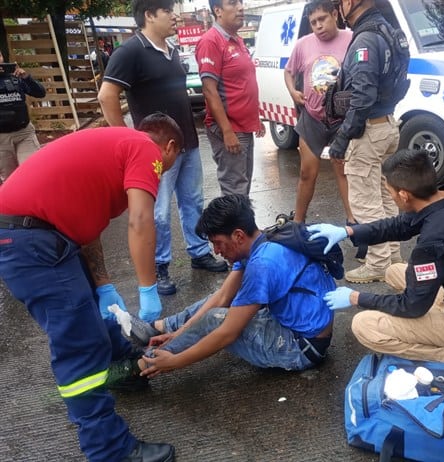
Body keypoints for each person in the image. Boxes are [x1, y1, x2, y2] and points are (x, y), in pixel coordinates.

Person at [0, 113, 182, 461]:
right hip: (30, 239)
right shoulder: (147, 149)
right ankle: (110, 450)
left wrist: (103, 286)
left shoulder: (114, 150)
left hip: (39, 234)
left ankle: (123, 370)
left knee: (94, 318)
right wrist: (148, 291)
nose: (164, 170)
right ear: (170, 147)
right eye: (171, 161)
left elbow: (88, 228)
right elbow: (142, 220)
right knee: (78, 344)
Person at [307, 149, 444, 364]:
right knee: (394, 271)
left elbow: (411, 306)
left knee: (364, 326)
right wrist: (349, 231)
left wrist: (356, 298)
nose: (390, 195)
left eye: (389, 191)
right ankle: (442, 322)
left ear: (404, 195)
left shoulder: (434, 242)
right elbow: (401, 225)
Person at [118, 194, 336, 378]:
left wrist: (175, 362)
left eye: (218, 243)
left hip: (300, 346)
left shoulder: (262, 265)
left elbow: (227, 333)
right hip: (297, 322)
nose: (216, 251)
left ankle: (145, 366)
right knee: (221, 301)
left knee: (215, 320)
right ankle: (164, 328)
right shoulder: (262, 238)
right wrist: (179, 332)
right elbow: (223, 297)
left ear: (238, 235)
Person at [99, 0, 228, 298]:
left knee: (192, 202)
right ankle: (159, 266)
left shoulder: (170, 51)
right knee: (157, 212)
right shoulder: (130, 51)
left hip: (186, 142)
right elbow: (107, 95)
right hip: (153, 151)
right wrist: (127, 141)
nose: (174, 16)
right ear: (148, 15)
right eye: (167, 11)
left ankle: (198, 253)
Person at [327, 0, 409, 283]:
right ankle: (393, 257)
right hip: (387, 124)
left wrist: (342, 137)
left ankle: (377, 264)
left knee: (365, 203)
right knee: (386, 199)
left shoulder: (366, 38)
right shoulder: (388, 31)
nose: (337, 9)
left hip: (369, 131)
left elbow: (362, 97)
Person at [284, 0, 354, 224]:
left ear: (335, 14)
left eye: (322, 19)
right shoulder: (303, 44)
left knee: (344, 173)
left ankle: (355, 225)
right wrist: (293, 92)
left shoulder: (352, 39)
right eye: (313, 22)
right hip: (312, 118)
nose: (318, 26)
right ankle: (298, 224)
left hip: (342, 120)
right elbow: (288, 72)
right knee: (307, 173)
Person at [196, 0, 265, 196]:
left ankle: (242, 226)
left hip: (244, 128)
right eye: (233, 3)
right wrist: (227, 131)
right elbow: (209, 90)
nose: (241, 7)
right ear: (217, 11)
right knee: (235, 191)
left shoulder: (237, 40)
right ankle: (234, 227)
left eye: (241, 2)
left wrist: (256, 118)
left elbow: (243, 83)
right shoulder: (211, 41)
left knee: (243, 188)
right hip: (230, 129)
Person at [0, 51, 46, 183]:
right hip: (1, 140)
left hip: (23, 133)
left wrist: (26, 77)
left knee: (34, 173)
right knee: (11, 181)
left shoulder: (15, 78)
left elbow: (40, 93)